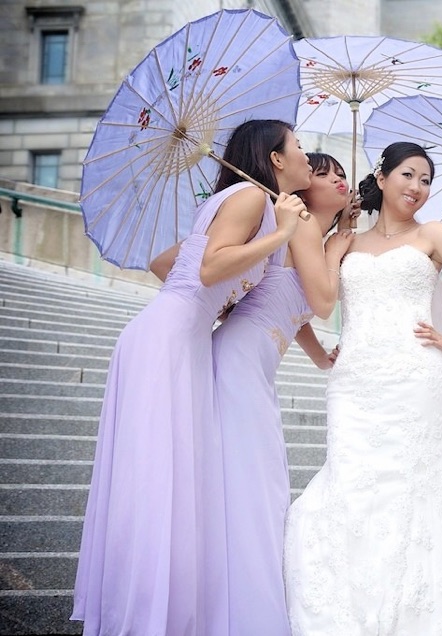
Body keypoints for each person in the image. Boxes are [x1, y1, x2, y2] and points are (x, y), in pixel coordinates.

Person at [72, 119, 311, 635]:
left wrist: (211, 306)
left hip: (176, 335)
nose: (304, 155)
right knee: (158, 477)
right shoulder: (251, 198)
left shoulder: (248, 202)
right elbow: (207, 269)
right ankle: (144, 617)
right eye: (297, 146)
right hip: (167, 341)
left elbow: (168, 263)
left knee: (164, 475)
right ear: (274, 158)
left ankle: (153, 612)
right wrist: (283, 234)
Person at [283, 142, 442, 634]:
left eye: (427, 180)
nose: (418, 188)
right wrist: (334, 235)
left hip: (413, 376)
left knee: (412, 489)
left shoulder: (433, 234)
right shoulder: (345, 242)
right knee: (352, 483)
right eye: (408, 175)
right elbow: (317, 305)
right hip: (354, 381)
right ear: (381, 178)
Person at [209, 152, 355, 635]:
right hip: (240, 359)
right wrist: (336, 251)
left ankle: (234, 593)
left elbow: (290, 305)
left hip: (253, 361)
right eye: (324, 172)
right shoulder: (305, 225)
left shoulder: (308, 229)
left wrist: (317, 356)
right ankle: (244, 604)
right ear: (303, 185)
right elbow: (323, 302)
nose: (338, 178)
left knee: (255, 480)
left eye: (342, 173)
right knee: (259, 482)